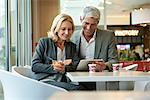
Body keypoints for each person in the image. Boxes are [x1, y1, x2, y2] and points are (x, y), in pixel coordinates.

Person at [71, 6, 118, 90]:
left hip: (100, 79)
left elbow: (114, 60)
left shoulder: (108, 36)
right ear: (81, 19)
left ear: (98, 22)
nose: (89, 28)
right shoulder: (72, 36)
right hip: (77, 80)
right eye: (86, 23)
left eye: (93, 24)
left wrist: (104, 66)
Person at [32, 14, 80, 91]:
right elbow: (35, 66)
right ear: (56, 29)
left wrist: (64, 68)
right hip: (46, 81)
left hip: (63, 81)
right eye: (63, 29)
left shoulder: (71, 46)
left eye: (69, 29)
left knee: (84, 88)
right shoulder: (44, 42)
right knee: (78, 89)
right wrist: (53, 67)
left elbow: (75, 64)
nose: (67, 32)